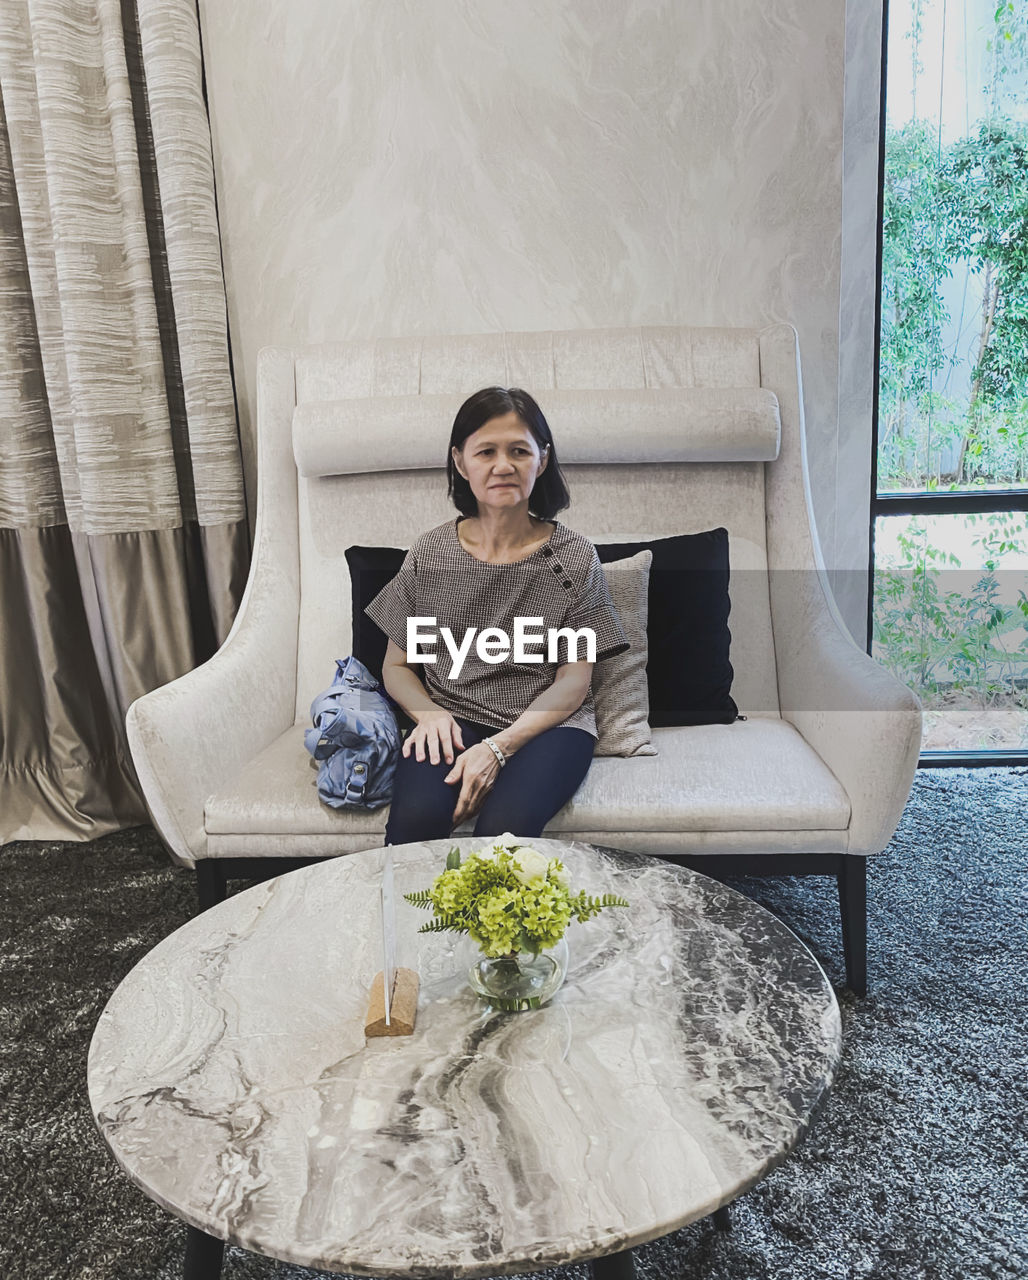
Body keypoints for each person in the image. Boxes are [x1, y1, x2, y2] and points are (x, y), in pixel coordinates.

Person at [364, 386, 629, 845]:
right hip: (454, 713)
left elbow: (574, 681)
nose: (503, 466)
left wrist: (499, 747)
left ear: (541, 461)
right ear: (461, 462)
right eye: (486, 451)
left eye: (519, 451)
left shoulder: (574, 557)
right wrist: (429, 716)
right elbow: (398, 666)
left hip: (550, 726)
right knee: (415, 824)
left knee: (503, 834)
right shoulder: (431, 554)